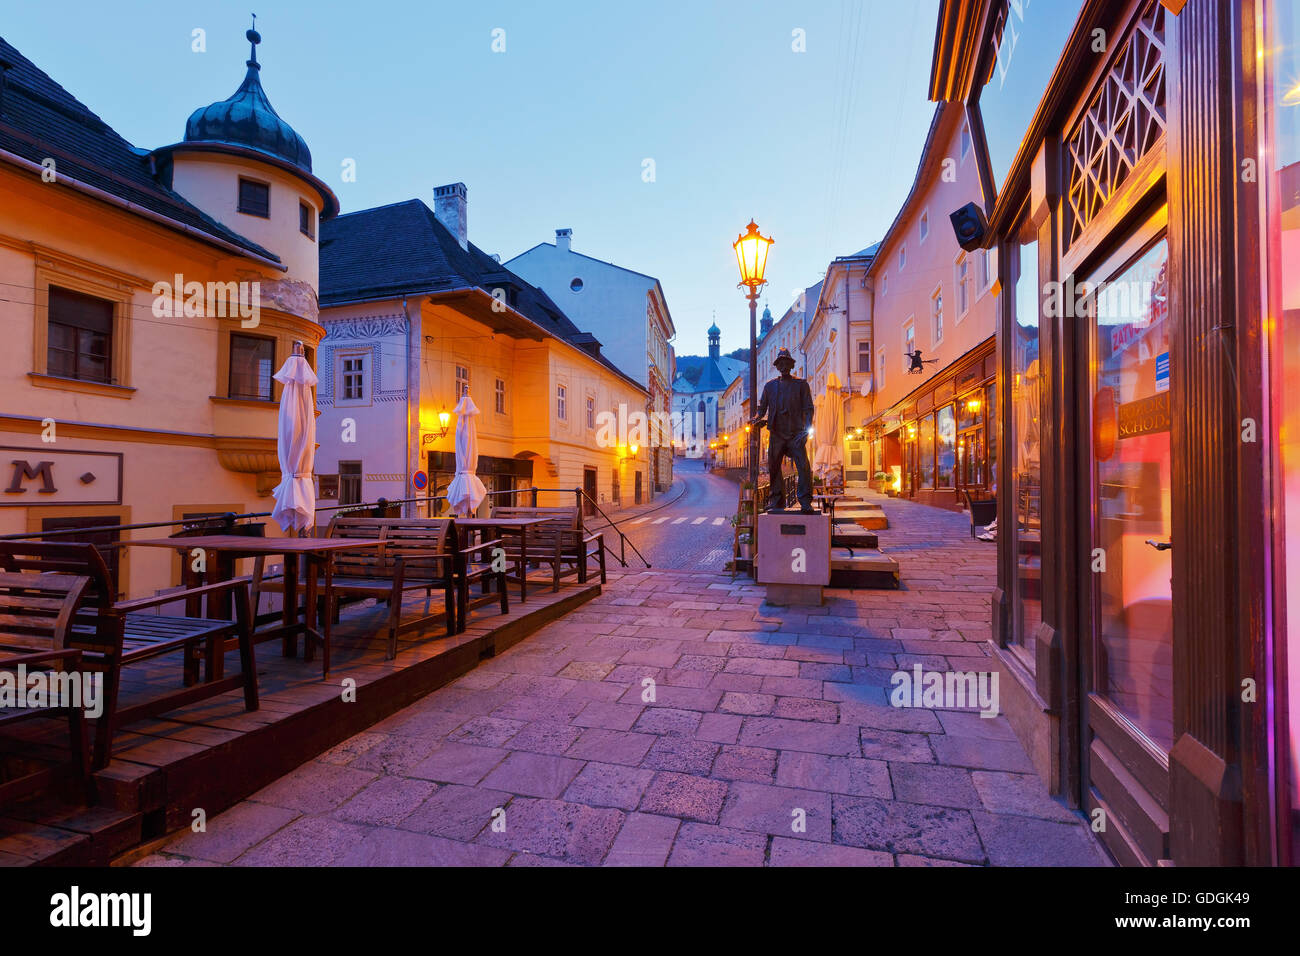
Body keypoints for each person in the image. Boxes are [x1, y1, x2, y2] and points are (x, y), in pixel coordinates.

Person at [754, 347, 815, 514]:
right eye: (780, 363)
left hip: (796, 432)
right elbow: (762, 408)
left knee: (803, 467)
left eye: (786, 362)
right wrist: (756, 418)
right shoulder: (769, 387)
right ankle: (777, 500)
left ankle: (805, 500)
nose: (783, 365)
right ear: (777, 366)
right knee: (773, 466)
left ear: (791, 364)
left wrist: (806, 432)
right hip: (777, 433)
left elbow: (809, 409)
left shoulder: (801, 385)